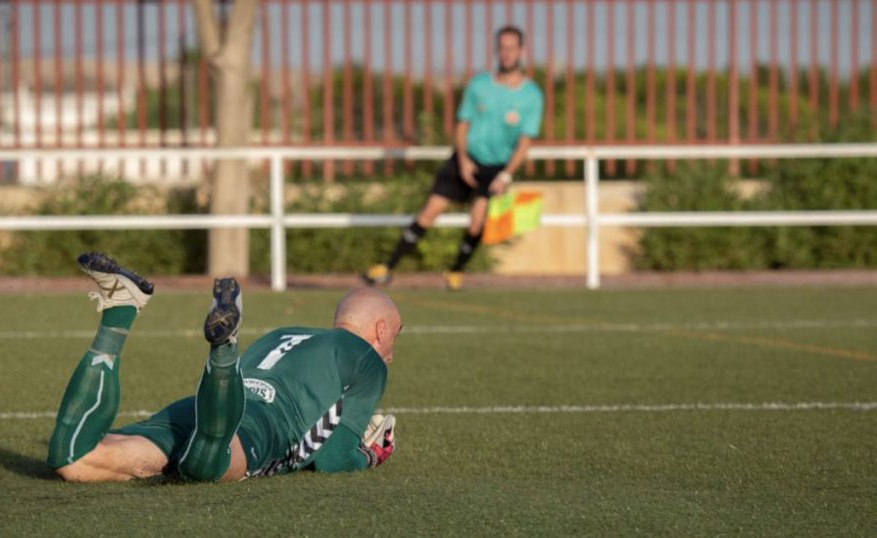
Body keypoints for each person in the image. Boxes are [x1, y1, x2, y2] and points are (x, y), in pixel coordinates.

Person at [48, 252, 400, 483]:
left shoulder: (285, 333)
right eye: (393, 339)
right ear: (381, 330)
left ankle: (120, 312)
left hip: (201, 408)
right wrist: (370, 454)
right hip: (257, 426)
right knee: (203, 469)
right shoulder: (367, 359)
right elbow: (333, 459)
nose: (391, 355)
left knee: (75, 461)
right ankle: (223, 349)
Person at [363, 25, 544, 291]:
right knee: (430, 211)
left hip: (495, 166)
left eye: (512, 48)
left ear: (522, 51)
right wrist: (463, 160)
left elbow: (525, 142)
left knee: (478, 218)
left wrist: (506, 174)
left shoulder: (532, 95)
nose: (506, 53)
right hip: (465, 157)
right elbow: (462, 126)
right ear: (497, 50)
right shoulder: (479, 85)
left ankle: (456, 271)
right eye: (502, 47)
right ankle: (387, 267)